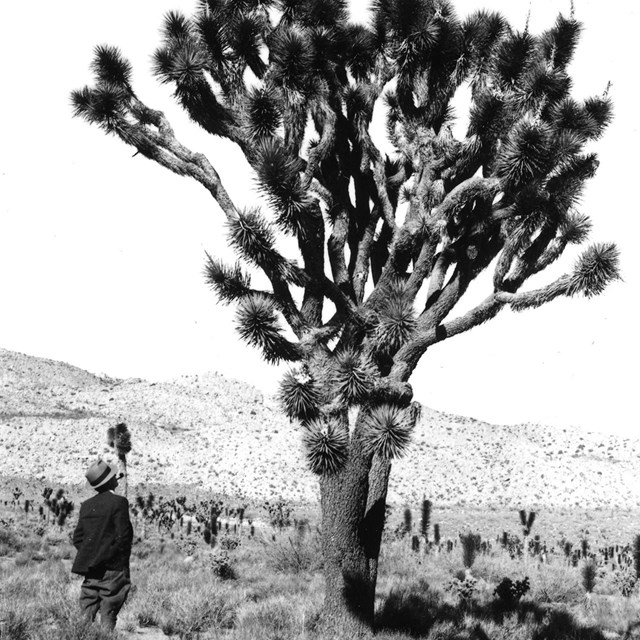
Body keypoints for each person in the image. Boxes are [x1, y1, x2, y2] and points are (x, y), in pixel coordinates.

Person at [71, 459, 133, 630]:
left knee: (86, 610)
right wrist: (113, 559)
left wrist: (93, 555)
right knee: (109, 610)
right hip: (112, 569)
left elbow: (78, 538)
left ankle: (79, 635)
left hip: (90, 568)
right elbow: (123, 537)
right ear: (112, 481)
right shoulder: (119, 502)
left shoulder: (87, 505)